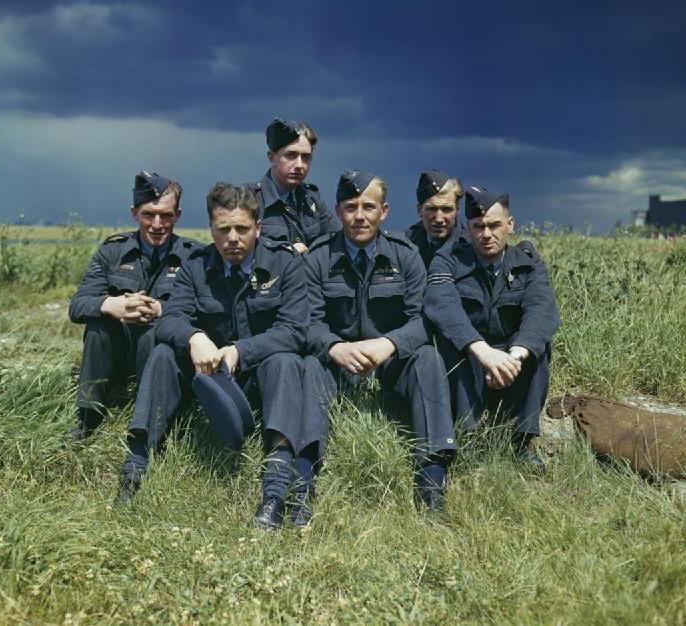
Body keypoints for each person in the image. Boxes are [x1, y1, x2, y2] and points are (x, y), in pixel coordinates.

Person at [118, 182, 323, 530]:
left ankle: (273, 493)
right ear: (210, 229)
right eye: (223, 229)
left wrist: (241, 352)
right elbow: (171, 319)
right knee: (166, 352)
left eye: (242, 229)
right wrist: (195, 337)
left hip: (261, 379)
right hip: (209, 380)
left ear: (258, 228)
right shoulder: (197, 265)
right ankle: (134, 470)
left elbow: (295, 331)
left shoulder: (285, 264)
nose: (232, 238)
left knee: (287, 360)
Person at [304, 170, 457, 513]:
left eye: (368, 207)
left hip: (390, 362)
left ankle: (431, 477)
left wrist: (388, 345)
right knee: (310, 365)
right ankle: (306, 473)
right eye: (350, 206)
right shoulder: (318, 258)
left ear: (384, 211)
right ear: (338, 210)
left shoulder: (405, 255)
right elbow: (307, 322)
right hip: (338, 363)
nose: (359, 216)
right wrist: (334, 347)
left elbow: (423, 320)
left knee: (428, 358)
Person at [423, 186, 559, 467]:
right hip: (471, 358)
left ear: (510, 225)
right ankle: (468, 436)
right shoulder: (448, 261)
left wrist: (513, 358)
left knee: (539, 347)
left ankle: (521, 441)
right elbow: (442, 306)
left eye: (495, 225)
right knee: (450, 341)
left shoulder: (528, 264)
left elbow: (542, 311)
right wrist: (483, 353)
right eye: (478, 226)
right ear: (468, 228)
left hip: (511, 361)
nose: (486, 234)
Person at [67, 171, 198, 440]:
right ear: (134, 213)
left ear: (179, 215)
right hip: (117, 354)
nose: (157, 224)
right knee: (98, 325)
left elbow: (204, 311)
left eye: (166, 215)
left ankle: (152, 417)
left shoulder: (193, 256)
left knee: (155, 330)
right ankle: (88, 416)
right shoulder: (112, 251)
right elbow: (77, 305)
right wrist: (111, 305)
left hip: (162, 357)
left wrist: (160, 310)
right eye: (149, 214)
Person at [249, 118, 339, 253]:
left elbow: (338, 240)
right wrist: (286, 254)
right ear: (272, 157)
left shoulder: (312, 198)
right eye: (291, 155)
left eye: (306, 157)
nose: (299, 165)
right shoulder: (249, 200)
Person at [406, 170, 467, 268]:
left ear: (457, 210)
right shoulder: (405, 244)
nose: (439, 219)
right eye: (432, 209)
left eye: (446, 209)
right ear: (419, 210)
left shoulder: (472, 248)